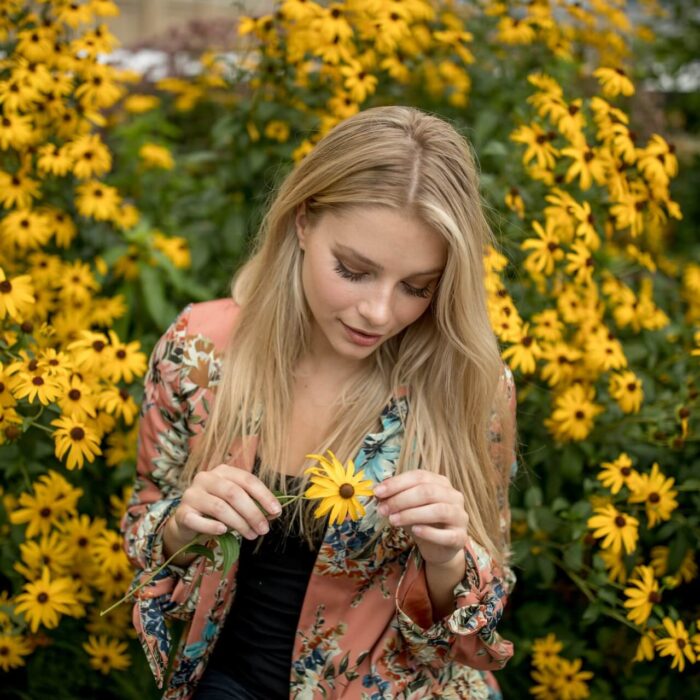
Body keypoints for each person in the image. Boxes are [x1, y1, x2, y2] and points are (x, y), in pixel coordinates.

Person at [121, 105, 518, 700]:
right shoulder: (199, 354)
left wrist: (446, 562)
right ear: (303, 222)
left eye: (417, 287)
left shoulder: (469, 385)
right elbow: (141, 534)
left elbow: (473, 633)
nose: (380, 313)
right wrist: (182, 525)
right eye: (354, 270)